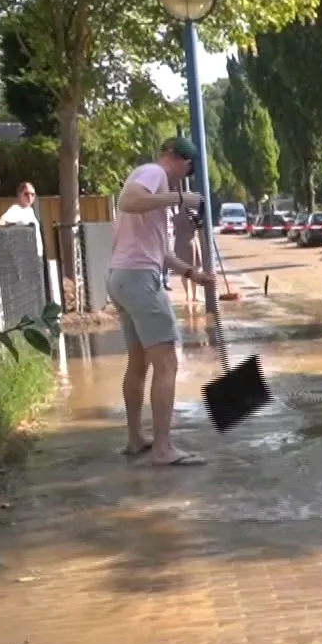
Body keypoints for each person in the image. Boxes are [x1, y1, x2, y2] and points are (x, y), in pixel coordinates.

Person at [109, 136, 215, 467]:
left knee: (138, 363)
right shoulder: (153, 173)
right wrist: (181, 198)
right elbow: (127, 200)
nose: (186, 175)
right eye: (188, 169)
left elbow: (161, 252)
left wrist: (190, 273)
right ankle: (163, 449)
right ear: (178, 160)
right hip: (140, 280)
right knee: (167, 363)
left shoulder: (156, 194)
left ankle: (136, 439)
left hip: (123, 277)